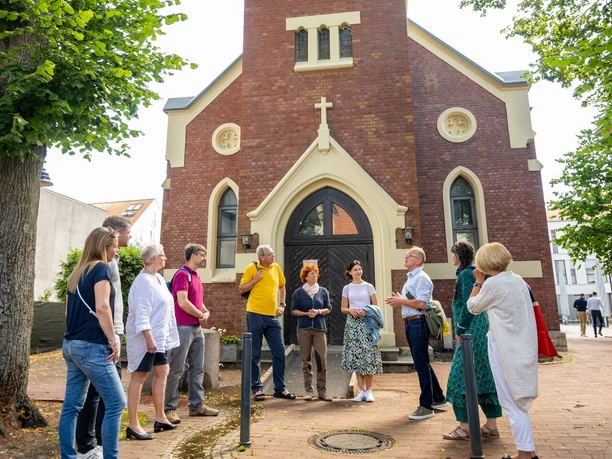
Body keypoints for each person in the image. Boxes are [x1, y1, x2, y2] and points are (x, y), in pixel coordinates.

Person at [58, 227, 126, 459]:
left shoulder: (76, 273)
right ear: (103, 247)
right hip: (92, 347)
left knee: (72, 406)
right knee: (117, 402)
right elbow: (103, 307)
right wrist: (112, 340)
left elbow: (68, 312)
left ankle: (69, 456)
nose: (116, 251)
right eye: (114, 246)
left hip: (71, 345)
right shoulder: (101, 269)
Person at [467, 242, 539, 459]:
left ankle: (526, 454)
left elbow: (473, 306)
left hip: (504, 348)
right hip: (523, 346)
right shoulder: (518, 280)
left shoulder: (494, 284)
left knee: (510, 401)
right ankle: (526, 451)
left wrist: (478, 282)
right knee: (517, 400)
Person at [76, 216, 131, 458]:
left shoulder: (112, 260)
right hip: (104, 335)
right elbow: (102, 306)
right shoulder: (102, 264)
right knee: (103, 394)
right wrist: (112, 337)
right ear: (115, 232)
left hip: (112, 329)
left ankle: (95, 442)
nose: (129, 237)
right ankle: (91, 445)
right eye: (128, 232)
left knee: (98, 394)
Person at [443, 241, 502, 440]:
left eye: (452, 254)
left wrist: (459, 329)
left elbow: (471, 303)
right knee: (483, 374)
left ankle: (464, 427)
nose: (451, 257)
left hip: (471, 332)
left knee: (459, 378)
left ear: (458, 255)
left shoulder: (467, 275)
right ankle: (491, 425)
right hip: (477, 330)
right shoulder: (468, 273)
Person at [385, 247, 447, 420]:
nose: (405, 257)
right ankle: (438, 398)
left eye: (409, 256)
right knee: (423, 363)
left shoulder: (421, 278)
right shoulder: (412, 278)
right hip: (412, 323)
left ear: (418, 260)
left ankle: (426, 406)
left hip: (418, 323)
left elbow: (421, 303)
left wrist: (401, 300)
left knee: (421, 365)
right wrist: (401, 300)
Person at [125, 244, 180, 440]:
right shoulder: (143, 282)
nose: (165, 258)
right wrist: (148, 338)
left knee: (162, 372)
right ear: (152, 259)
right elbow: (142, 312)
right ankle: (133, 425)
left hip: (159, 338)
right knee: (139, 377)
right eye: (162, 255)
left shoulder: (158, 279)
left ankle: (160, 417)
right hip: (146, 339)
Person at [164, 244, 219, 424]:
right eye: (202, 255)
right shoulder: (182, 274)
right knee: (177, 368)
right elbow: (182, 302)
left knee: (198, 368)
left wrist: (206, 311)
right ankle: (169, 409)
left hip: (196, 328)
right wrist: (200, 314)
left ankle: (197, 405)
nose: (204, 258)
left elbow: (197, 301)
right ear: (193, 256)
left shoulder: (196, 276)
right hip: (183, 327)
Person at [239, 245, 295, 400]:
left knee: (279, 352)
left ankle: (280, 388)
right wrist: (256, 279)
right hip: (255, 314)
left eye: (273, 253)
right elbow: (242, 288)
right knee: (254, 353)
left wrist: (282, 305)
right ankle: (257, 388)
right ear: (262, 257)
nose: (273, 256)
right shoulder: (252, 268)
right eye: (270, 254)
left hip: (272, 317)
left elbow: (282, 286)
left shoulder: (276, 267)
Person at [340, 260, 382, 403]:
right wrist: (351, 310)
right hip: (353, 324)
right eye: (355, 270)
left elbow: (376, 305)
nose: (358, 272)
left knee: (368, 355)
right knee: (356, 356)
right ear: (350, 272)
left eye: (359, 269)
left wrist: (366, 311)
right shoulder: (347, 288)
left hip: (367, 323)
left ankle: (369, 390)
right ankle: (361, 391)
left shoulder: (368, 286)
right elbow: (343, 308)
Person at [290, 263, 333, 402]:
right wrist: (306, 314)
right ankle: (309, 391)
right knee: (306, 360)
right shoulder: (298, 292)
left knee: (322, 360)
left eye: (315, 272)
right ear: (305, 276)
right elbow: (293, 310)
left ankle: (322, 391)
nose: (314, 274)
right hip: (303, 329)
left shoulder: (323, 291)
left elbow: (328, 309)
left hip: (320, 329)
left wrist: (318, 311)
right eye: (311, 273)